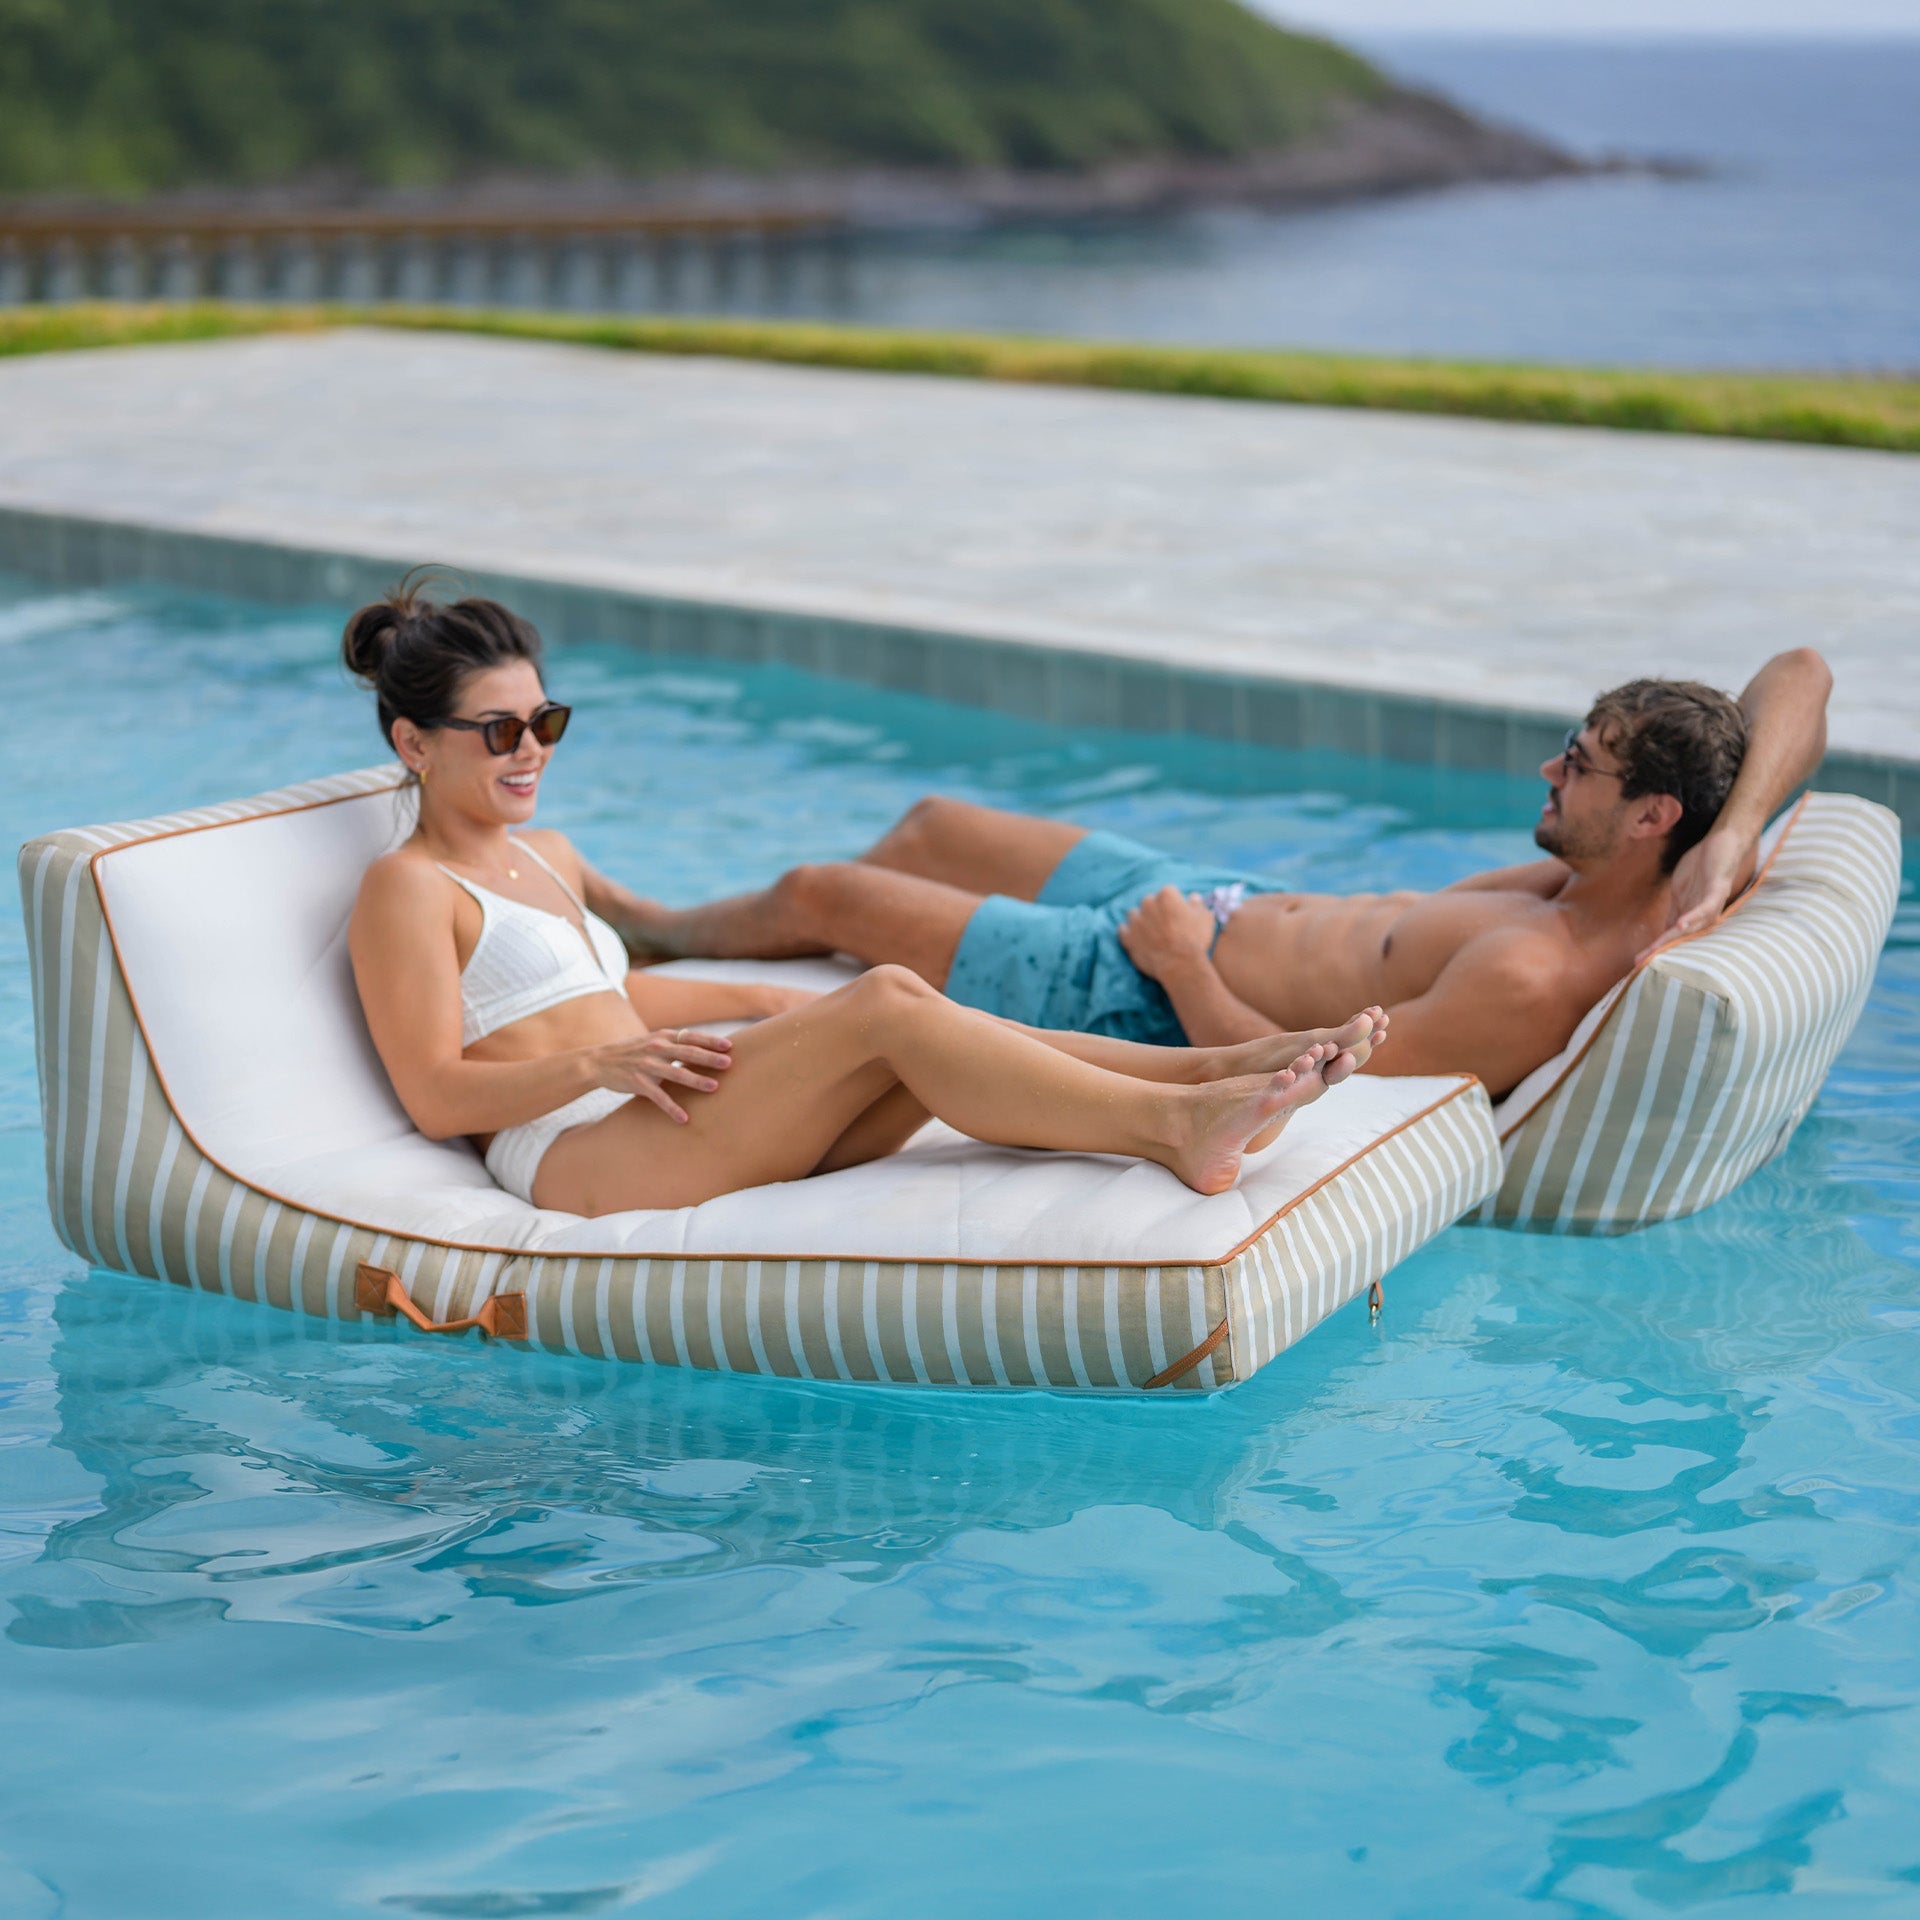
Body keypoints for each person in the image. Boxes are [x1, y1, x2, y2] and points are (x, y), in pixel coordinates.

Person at [344, 579, 1386, 1219]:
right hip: (580, 1154)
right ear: (414, 745)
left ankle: (1222, 1067)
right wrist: (597, 1063)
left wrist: (765, 1009)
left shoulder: (550, 855)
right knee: (890, 995)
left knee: (916, 1027)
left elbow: (598, 1000)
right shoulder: (406, 889)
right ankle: (1177, 1124)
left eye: (547, 722)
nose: (532, 752)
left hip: (651, 1112)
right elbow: (436, 1092)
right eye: (500, 731)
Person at [613, 650, 1831, 1100]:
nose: (1548, 772)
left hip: (1142, 980)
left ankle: (661, 940)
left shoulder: (1532, 971)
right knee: (932, 820)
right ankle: (797, 959)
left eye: (1579, 765)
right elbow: (1804, 674)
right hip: (1205, 894)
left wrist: (1183, 968)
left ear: (1647, 816)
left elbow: (1308, 1078)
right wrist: (1733, 840)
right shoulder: (1657, 867)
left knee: (833, 890)